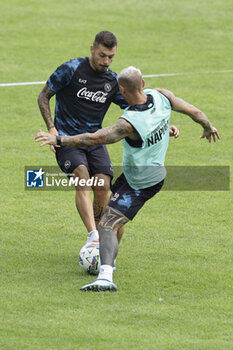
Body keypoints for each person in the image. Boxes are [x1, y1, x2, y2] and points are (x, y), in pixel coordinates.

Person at [35, 66, 220, 292]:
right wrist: (208, 127)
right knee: (112, 215)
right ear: (143, 83)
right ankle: (108, 261)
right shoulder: (161, 96)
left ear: (121, 90)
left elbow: (94, 138)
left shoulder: (128, 122)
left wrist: (60, 140)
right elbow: (195, 113)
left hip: (141, 183)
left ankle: (105, 277)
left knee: (106, 224)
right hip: (142, 175)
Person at [37, 31, 128, 245]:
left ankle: (103, 243)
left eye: (111, 57)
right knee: (82, 177)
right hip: (67, 139)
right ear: (92, 49)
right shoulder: (71, 69)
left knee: (103, 186)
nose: (106, 61)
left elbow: (136, 107)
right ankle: (93, 237)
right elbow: (43, 96)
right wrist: (51, 128)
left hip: (94, 141)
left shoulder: (112, 81)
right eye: (102, 55)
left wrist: (161, 124)